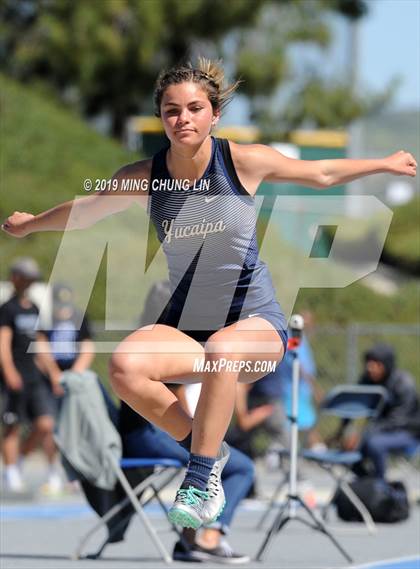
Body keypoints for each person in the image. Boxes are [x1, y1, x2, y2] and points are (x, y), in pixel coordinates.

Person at [2, 58, 417, 527]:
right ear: (161, 117)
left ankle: (199, 480)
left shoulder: (241, 162)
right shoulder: (147, 176)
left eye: (194, 109)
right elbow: (88, 210)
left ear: (213, 115)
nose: (183, 119)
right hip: (192, 326)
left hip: (256, 329)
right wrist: (32, 223)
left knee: (224, 349)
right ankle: (211, 453)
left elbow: (318, 174)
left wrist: (383, 163)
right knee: (124, 365)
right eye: (172, 110)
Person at [0, 258, 62, 492]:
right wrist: (9, 371)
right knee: (13, 425)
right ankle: (11, 471)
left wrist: (54, 373)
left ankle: (20, 459)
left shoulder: (34, 307)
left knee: (45, 424)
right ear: (15, 278)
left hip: (34, 376)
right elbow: (3, 343)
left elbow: (41, 344)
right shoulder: (7, 309)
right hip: (14, 375)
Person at [331, 343, 420, 479]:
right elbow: (352, 406)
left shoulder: (403, 383)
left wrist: (364, 435)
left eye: (376, 364)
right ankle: (368, 483)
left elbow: (398, 420)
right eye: (368, 363)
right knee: (346, 454)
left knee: (374, 444)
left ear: (386, 364)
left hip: (407, 433)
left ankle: (381, 486)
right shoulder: (367, 380)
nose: (370, 368)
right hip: (377, 432)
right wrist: (342, 432)